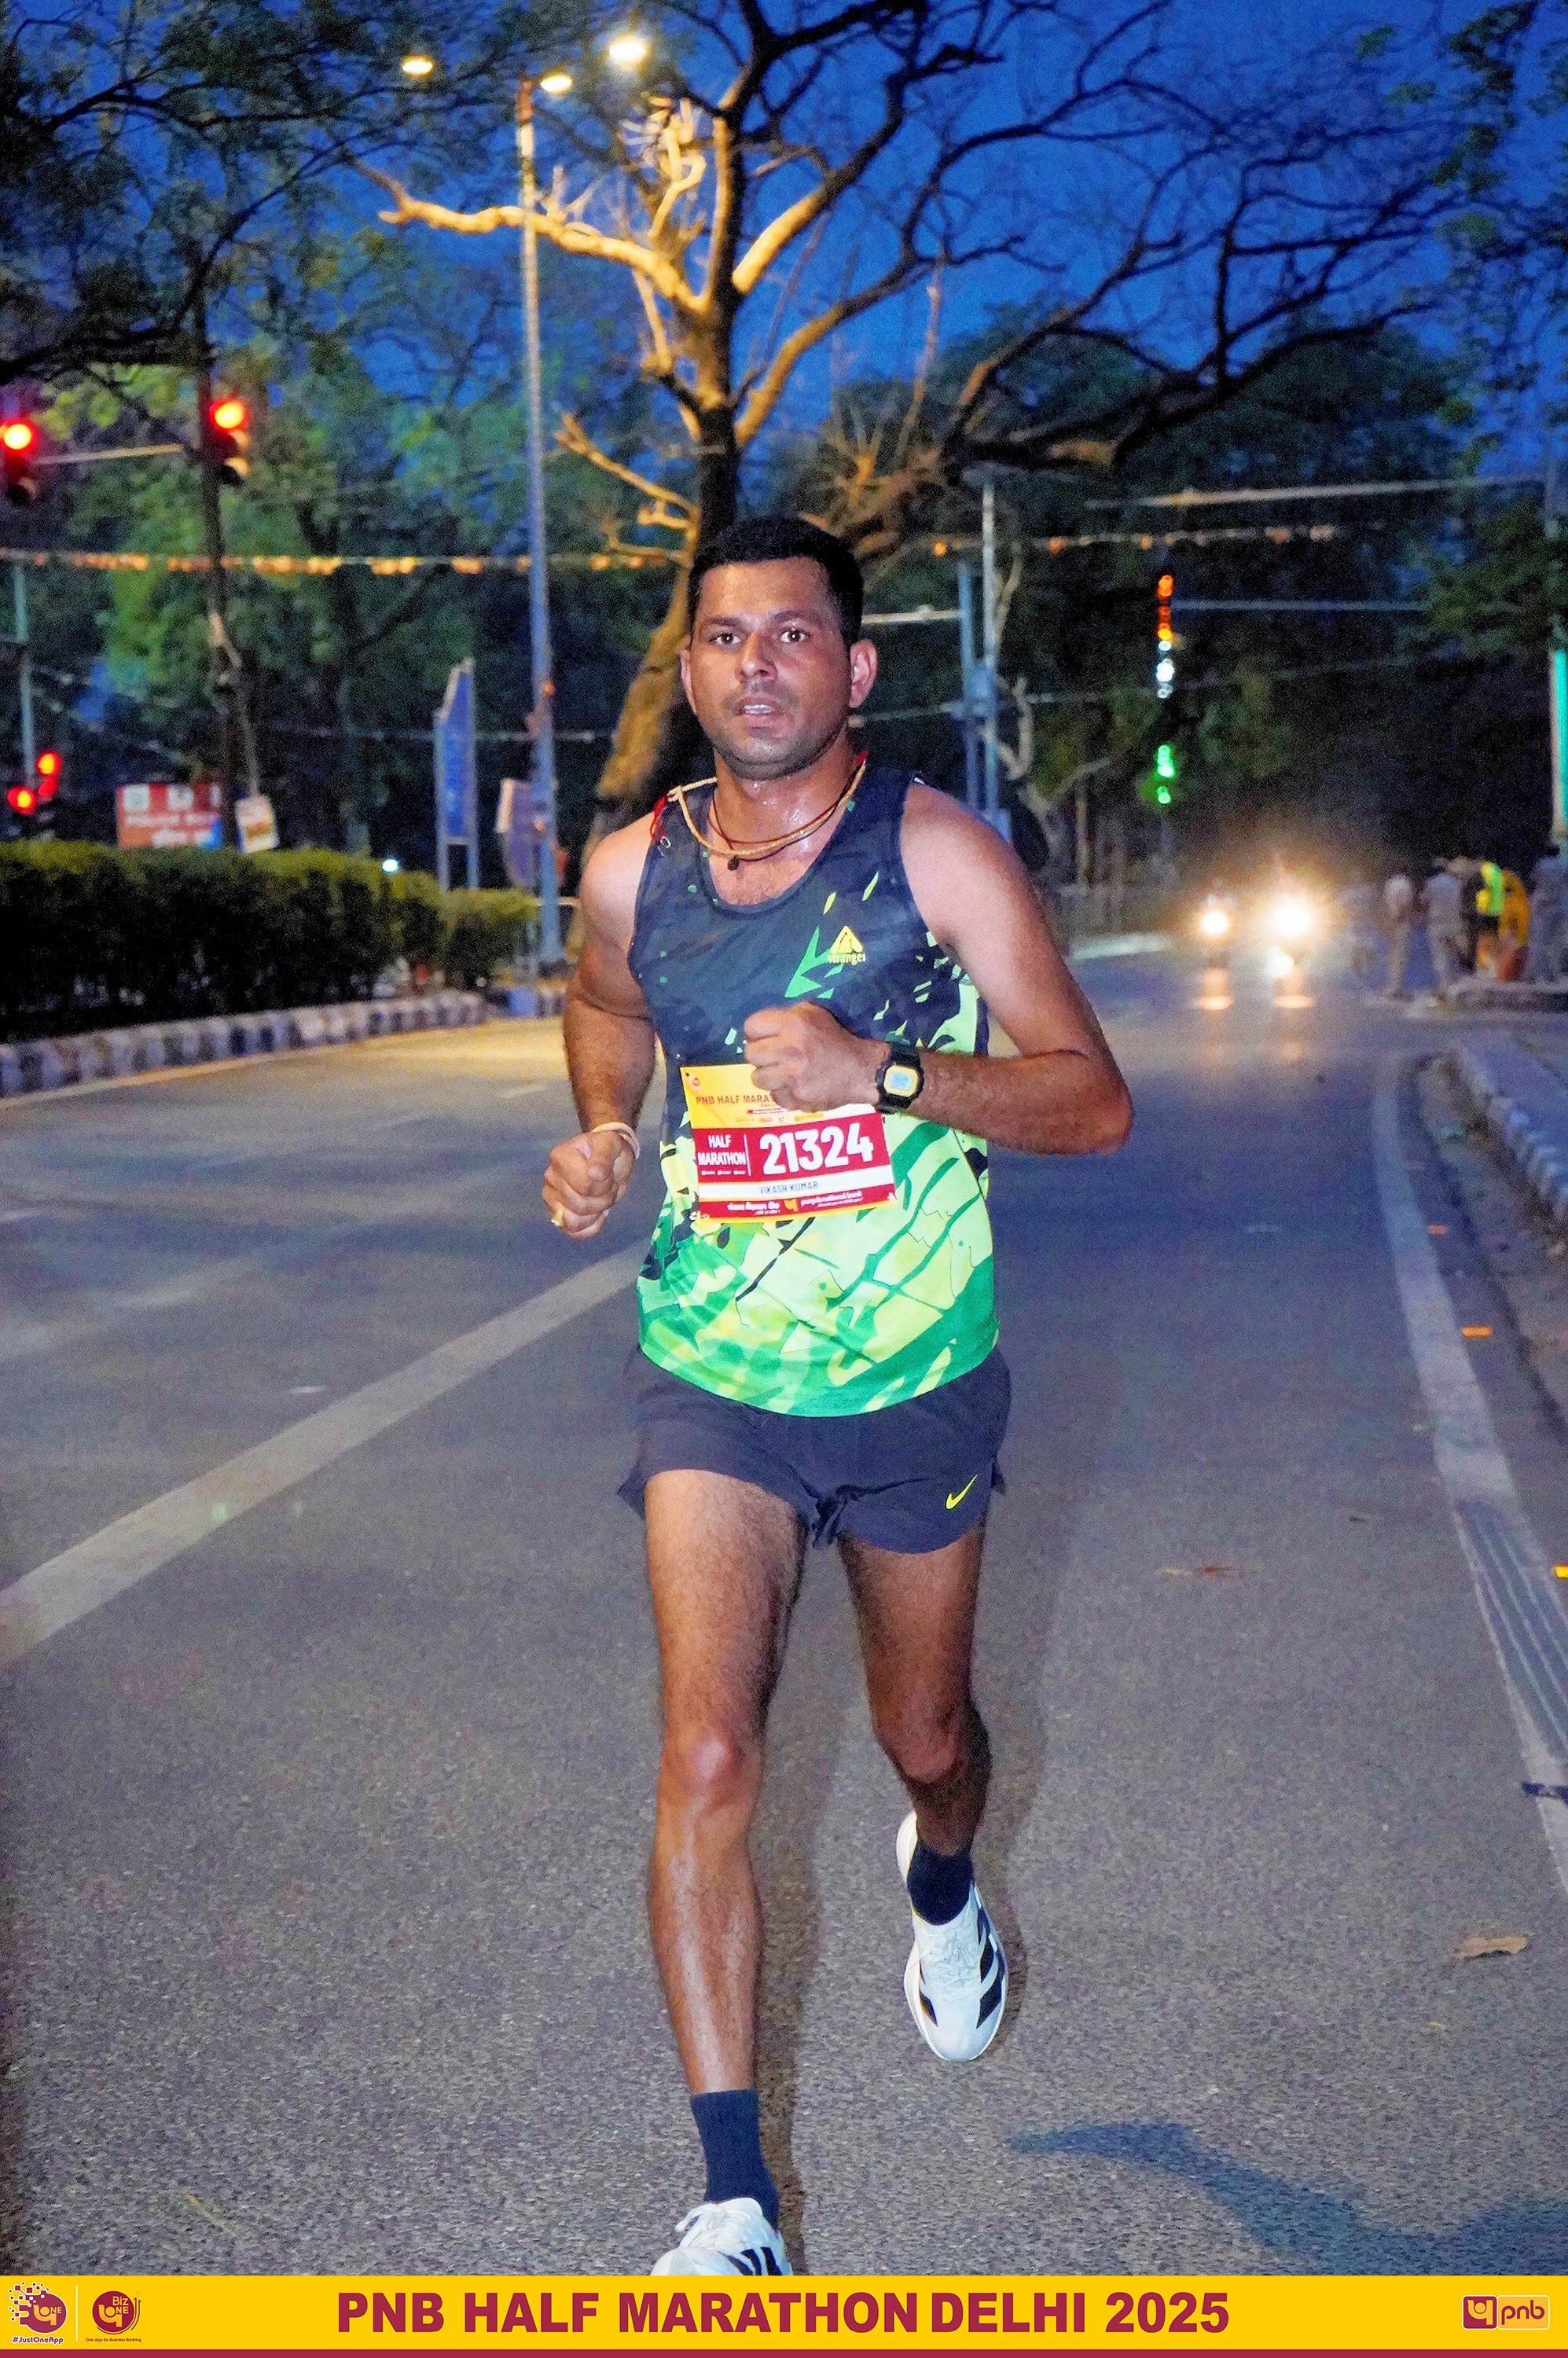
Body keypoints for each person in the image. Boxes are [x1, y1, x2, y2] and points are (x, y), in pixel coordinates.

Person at [542, 514, 1132, 2277]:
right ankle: (737, 2203)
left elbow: (1091, 1099)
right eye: (727, 639)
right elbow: (603, 1005)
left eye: (794, 635)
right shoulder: (629, 869)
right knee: (708, 1750)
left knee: (926, 1739)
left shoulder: (937, 852)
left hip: (912, 1374)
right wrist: (603, 1128)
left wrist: (886, 1071)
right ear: (691, 669)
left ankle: (942, 1876)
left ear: (855, 666)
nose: (758, 666)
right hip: (713, 1372)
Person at [1528, 847, 1567, 982]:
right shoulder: (1563, 866)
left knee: (1538, 941)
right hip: (1558, 906)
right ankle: (1552, 974)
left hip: (1542, 906)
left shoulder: (1541, 864)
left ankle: (1535, 973)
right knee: (1556, 942)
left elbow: (1534, 880)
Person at [1425, 861, 1466, 991]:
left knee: (1440, 954)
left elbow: (1425, 900)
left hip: (1437, 922)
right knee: (1455, 952)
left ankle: (1444, 984)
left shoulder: (1431, 883)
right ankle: (1457, 981)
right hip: (1454, 921)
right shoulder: (1456, 883)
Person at [1382, 869, 1416, 998]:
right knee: (1401, 956)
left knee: (1392, 956)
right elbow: (1406, 904)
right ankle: (1396, 987)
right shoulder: (1406, 883)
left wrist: (1388, 921)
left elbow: (1386, 903)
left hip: (1391, 921)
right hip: (1402, 922)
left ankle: (1392, 986)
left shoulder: (1390, 883)